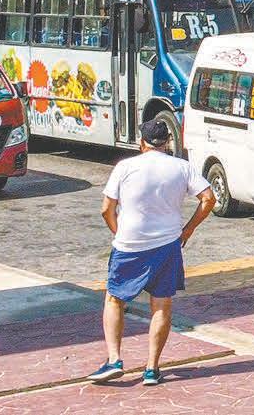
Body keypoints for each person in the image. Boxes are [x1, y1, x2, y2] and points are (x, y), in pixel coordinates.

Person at [89, 119, 216, 387]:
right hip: (167, 245)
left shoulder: (125, 167)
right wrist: (188, 230)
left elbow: (106, 209)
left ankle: (114, 360)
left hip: (129, 245)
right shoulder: (182, 167)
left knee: (114, 299)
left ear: (142, 142)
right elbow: (208, 198)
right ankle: (151, 369)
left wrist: (118, 232)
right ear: (167, 141)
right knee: (161, 305)